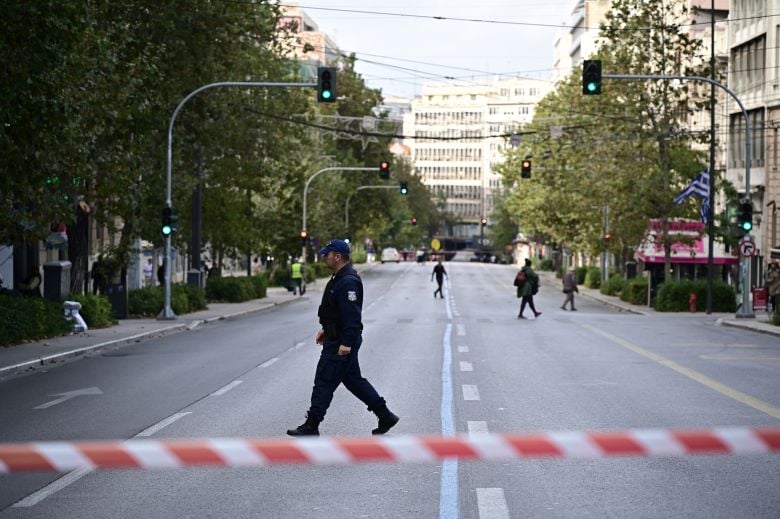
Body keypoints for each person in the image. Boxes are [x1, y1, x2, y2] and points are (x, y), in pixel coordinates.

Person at [287, 239, 399, 437]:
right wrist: (326, 329)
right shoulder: (338, 277)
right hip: (336, 337)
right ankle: (385, 415)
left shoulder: (347, 281)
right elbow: (336, 311)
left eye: (327, 254)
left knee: (324, 379)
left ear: (337, 256)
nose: (324, 257)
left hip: (341, 342)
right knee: (354, 381)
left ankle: (312, 423)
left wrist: (345, 342)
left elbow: (352, 317)